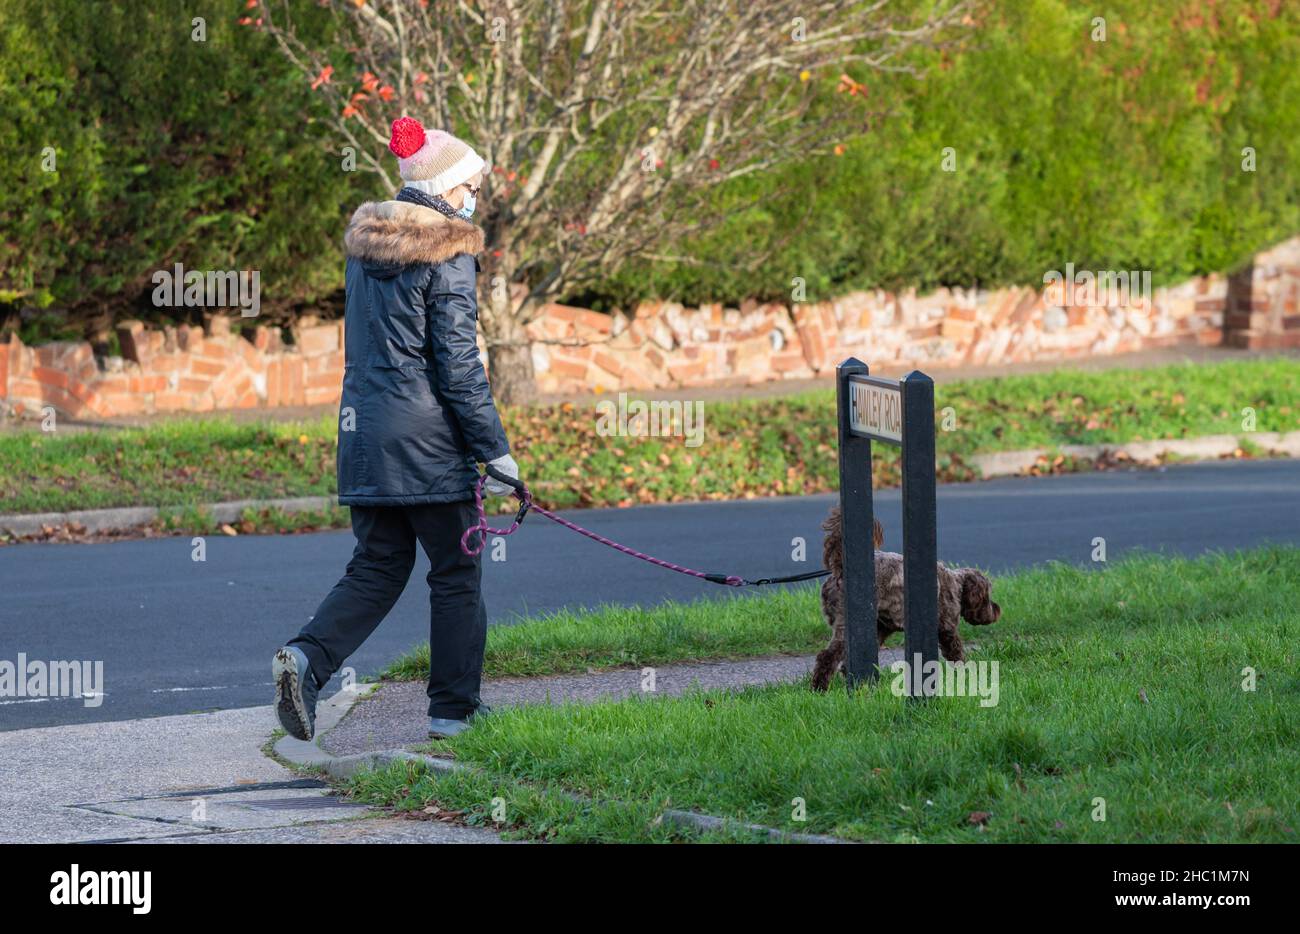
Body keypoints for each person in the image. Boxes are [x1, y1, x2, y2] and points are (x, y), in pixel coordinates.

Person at [272, 117, 519, 741]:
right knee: (456, 571)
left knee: (378, 565)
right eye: (469, 187)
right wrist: (496, 453)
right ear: (443, 190)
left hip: (364, 436)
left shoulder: (366, 248)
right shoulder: (450, 251)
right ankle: (454, 714)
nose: (473, 199)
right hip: (429, 441)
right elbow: (459, 365)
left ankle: (306, 658)